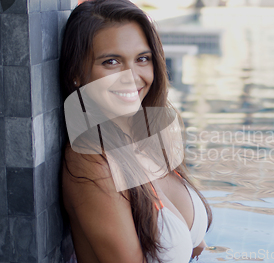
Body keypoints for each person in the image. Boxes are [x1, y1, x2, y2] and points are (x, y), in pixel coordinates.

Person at [58, 1, 213, 263]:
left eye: (142, 59)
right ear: (76, 73)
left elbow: (194, 245)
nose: (131, 76)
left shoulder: (151, 136)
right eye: (111, 62)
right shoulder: (90, 161)